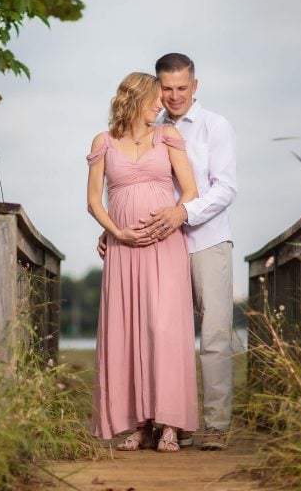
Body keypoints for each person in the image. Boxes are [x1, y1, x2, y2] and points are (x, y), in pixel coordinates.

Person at [98, 53, 238, 450]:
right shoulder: (150, 127)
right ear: (157, 89)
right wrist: (115, 229)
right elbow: (129, 183)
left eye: (182, 88)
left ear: (195, 86)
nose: (174, 96)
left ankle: (215, 425)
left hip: (205, 238)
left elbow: (225, 188)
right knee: (155, 333)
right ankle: (169, 420)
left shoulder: (216, 126)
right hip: (155, 247)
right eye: (167, 89)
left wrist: (183, 213)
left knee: (213, 335)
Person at [87, 71, 199, 453]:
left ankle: (170, 423)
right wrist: (115, 232)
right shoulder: (103, 142)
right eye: (154, 97)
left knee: (165, 329)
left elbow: (191, 190)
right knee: (127, 331)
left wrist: (171, 216)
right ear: (134, 99)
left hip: (164, 244)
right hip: (123, 249)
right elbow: (94, 202)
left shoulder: (167, 137)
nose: (161, 103)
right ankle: (139, 425)